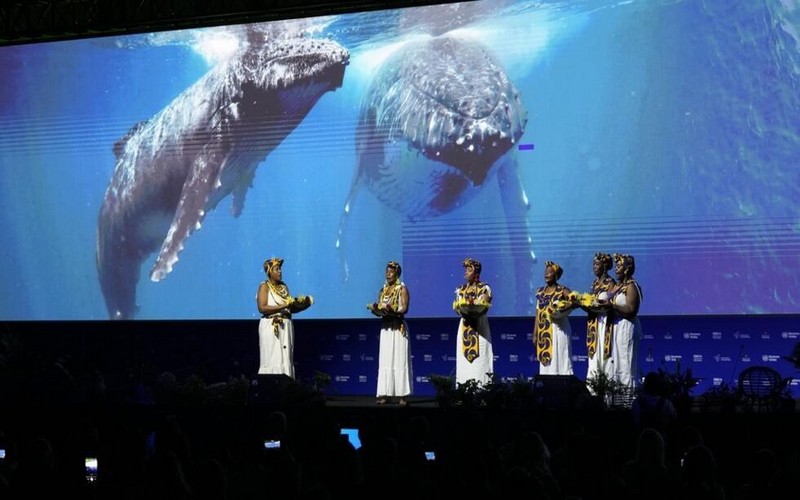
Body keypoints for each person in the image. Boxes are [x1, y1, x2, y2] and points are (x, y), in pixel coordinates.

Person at [256, 257, 312, 378]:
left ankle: (287, 387)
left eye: (280, 269)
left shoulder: (283, 287)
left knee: (285, 358)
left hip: (285, 327)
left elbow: (288, 308)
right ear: (270, 272)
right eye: (277, 269)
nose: (280, 271)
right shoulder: (264, 286)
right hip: (271, 326)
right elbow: (262, 308)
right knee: (272, 358)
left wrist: (303, 305)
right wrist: (284, 305)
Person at [368, 260, 413, 405]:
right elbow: (380, 307)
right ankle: (385, 394)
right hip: (386, 328)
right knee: (386, 360)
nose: (388, 274)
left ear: (397, 273)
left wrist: (394, 312)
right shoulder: (383, 290)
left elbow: (405, 308)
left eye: (391, 271)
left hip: (398, 327)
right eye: (386, 271)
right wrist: (377, 311)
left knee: (400, 359)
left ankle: (402, 396)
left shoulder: (402, 289)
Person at [452, 258, 493, 385]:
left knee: (481, 361)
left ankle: (482, 393)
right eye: (465, 269)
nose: (466, 272)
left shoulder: (484, 288)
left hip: (480, 329)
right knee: (464, 363)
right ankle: (463, 393)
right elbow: (457, 308)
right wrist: (462, 310)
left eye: (469, 270)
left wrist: (474, 309)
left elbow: (484, 305)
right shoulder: (461, 289)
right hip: (464, 328)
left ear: (476, 273)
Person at [533, 260, 575, 375]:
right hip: (544, 331)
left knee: (560, 359)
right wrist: (535, 333)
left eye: (550, 272)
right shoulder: (540, 292)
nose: (546, 274)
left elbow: (574, 300)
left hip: (558, 330)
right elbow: (538, 313)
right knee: (546, 365)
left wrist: (564, 307)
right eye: (545, 272)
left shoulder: (562, 290)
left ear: (556, 275)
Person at [609, 253, 643, 395]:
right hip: (617, 327)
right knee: (617, 364)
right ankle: (618, 400)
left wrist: (613, 307)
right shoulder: (618, 287)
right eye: (615, 267)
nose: (616, 270)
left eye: (618, 267)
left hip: (627, 328)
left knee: (626, 363)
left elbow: (631, 310)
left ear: (626, 269)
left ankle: (628, 401)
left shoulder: (631, 286)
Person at [583, 252, 616, 390]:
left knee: (605, 360)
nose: (594, 267)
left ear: (605, 266)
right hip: (593, 325)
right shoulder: (594, 284)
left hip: (605, 324)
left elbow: (612, 304)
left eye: (597, 264)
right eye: (593, 264)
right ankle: (592, 395)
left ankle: (607, 398)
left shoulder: (611, 283)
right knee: (594, 361)